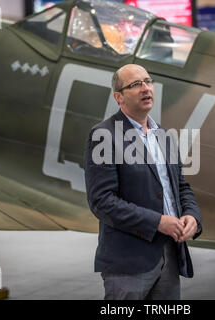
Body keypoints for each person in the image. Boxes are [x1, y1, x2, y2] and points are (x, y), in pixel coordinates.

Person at [84, 64, 202, 300]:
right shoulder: (104, 136)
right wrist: (158, 222)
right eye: (135, 84)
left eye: (148, 81)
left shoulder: (164, 135)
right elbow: (102, 202)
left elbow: (180, 186)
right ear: (119, 97)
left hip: (169, 256)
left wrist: (192, 216)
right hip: (128, 263)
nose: (145, 88)